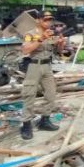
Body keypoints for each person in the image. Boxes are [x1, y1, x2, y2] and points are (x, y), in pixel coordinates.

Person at [19, 11, 64, 140]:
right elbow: (25, 50)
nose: (49, 22)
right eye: (46, 19)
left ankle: (45, 120)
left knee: (51, 94)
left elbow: (59, 52)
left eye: (50, 20)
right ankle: (26, 124)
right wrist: (41, 38)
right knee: (29, 94)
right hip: (34, 66)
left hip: (47, 67)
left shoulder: (50, 34)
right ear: (38, 20)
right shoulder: (30, 34)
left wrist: (61, 43)